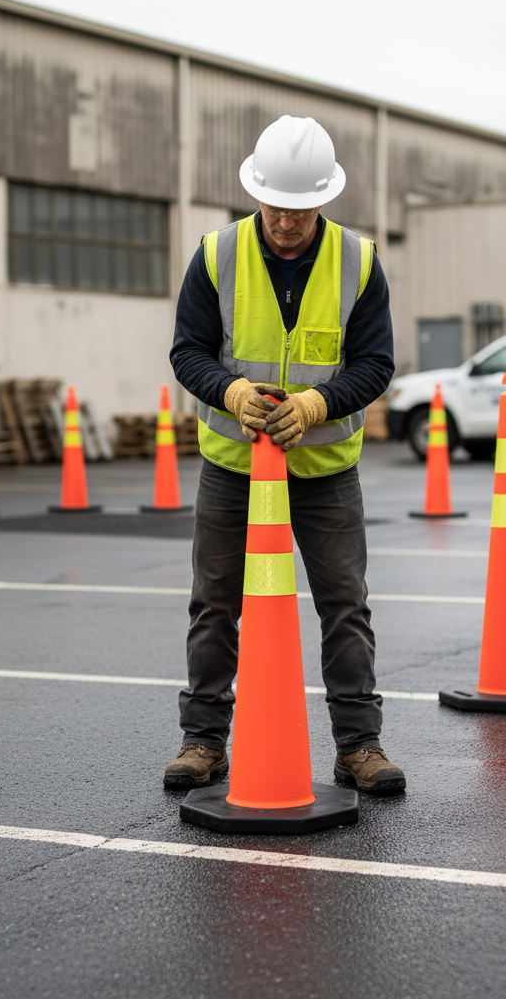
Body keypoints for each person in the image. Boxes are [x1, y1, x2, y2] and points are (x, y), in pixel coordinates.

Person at [164, 115, 404, 796]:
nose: (285, 222)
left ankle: (359, 746)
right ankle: (202, 742)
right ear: (256, 192)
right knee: (214, 603)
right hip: (234, 468)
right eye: (275, 206)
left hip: (324, 472)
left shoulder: (358, 262)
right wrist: (231, 389)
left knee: (344, 605)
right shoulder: (217, 254)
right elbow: (188, 350)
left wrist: (318, 405)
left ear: (322, 199)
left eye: (299, 210)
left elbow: (376, 363)